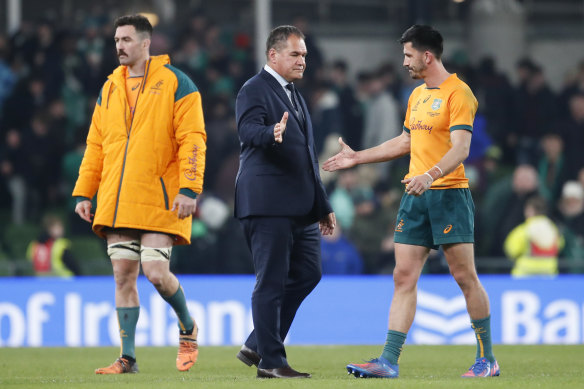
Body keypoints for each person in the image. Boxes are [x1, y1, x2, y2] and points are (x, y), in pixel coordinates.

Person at [323, 25, 499, 378]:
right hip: (415, 196)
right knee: (403, 276)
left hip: (448, 194)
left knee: (464, 276)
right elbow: (405, 142)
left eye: (407, 55)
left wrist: (430, 175)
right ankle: (388, 361)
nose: (404, 61)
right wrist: (358, 158)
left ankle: (487, 358)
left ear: (427, 56)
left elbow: (461, 148)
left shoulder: (459, 94)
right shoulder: (417, 95)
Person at [72, 14, 206, 374]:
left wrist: (189, 187)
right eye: (117, 39)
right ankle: (127, 358)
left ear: (147, 43)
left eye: (127, 39)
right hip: (116, 197)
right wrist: (84, 191)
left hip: (160, 196)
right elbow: (96, 144)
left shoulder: (177, 83)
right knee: (122, 276)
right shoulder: (109, 88)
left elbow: (193, 139)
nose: (119, 45)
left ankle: (188, 326)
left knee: (157, 272)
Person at [234, 25, 335, 379]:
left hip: (300, 206)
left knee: (309, 273)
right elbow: (247, 131)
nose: (302, 60)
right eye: (295, 54)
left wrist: (322, 205)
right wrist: (269, 134)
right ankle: (272, 362)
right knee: (271, 282)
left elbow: (307, 156)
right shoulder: (253, 90)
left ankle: (257, 343)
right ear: (273, 55)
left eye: (304, 55)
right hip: (267, 203)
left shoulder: (295, 95)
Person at [504, 196, 563, 276]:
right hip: (549, 272)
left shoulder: (524, 229)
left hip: (525, 273)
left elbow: (511, 249)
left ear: (530, 210)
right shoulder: (553, 228)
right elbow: (560, 245)